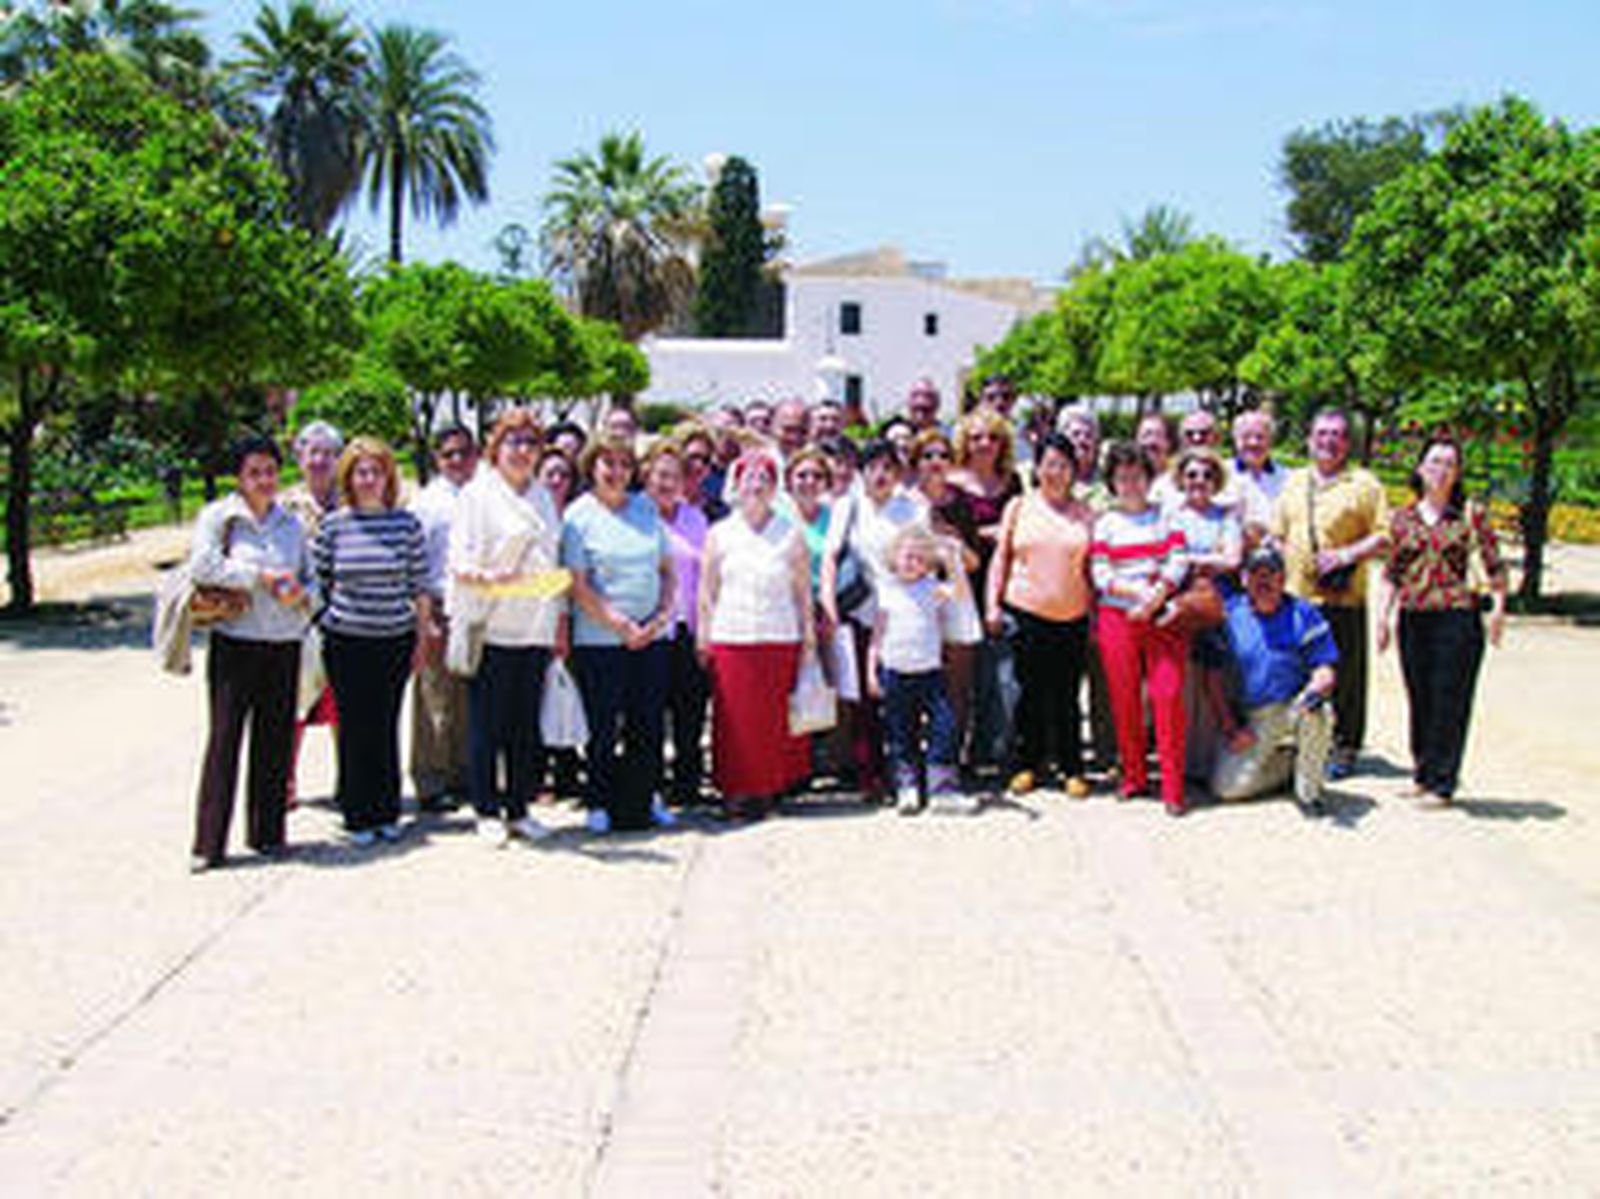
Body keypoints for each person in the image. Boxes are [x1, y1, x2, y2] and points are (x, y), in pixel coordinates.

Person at [188, 435, 312, 872]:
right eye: (254, 472)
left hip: (283, 642)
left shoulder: (292, 524)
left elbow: (312, 579)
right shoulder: (220, 518)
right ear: (239, 477)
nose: (264, 480)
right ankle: (208, 843)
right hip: (235, 641)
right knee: (225, 740)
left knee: (275, 738)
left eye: (270, 472)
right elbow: (202, 566)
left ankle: (268, 832)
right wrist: (259, 576)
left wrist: (301, 591)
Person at [448, 410, 565, 847]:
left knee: (524, 725)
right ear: (496, 448)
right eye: (513, 442)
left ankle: (519, 807)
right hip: (491, 623)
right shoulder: (477, 495)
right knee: (487, 724)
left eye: (530, 443)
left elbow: (551, 556)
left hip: (533, 625)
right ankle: (485, 809)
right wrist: (486, 577)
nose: (522, 451)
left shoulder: (542, 497)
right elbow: (459, 560)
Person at [1376, 432, 1508, 807]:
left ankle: (1443, 782)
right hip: (1414, 616)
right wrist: (1383, 619)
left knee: (1451, 698)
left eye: (1450, 463)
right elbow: (1391, 572)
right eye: (1435, 462)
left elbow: (1495, 567)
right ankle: (1422, 771)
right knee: (1420, 696)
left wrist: (1498, 610)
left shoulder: (1470, 515)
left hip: (1457, 616)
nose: (1441, 470)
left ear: (1458, 472)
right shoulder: (1403, 518)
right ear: (1420, 468)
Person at [312, 437, 430, 847]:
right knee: (354, 727)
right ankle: (357, 813)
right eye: (360, 472)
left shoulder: (405, 524)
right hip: (346, 641)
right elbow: (319, 580)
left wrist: (421, 639)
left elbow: (419, 586)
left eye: (375, 472)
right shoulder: (334, 525)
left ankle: (386, 810)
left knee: (385, 724)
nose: (368, 479)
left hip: (393, 639)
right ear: (348, 477)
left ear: (388, 478)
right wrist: (325, 622)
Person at [562, 433, 676, 833]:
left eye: (624, 464)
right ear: (592, 467)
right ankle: (598, 801)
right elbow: (578, 584)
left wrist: (661, 615)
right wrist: (620, 624)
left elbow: (666, 570)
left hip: (650, 637)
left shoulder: (646, 508)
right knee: (602, 726)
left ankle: (647, 797)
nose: (616, 472)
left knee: (647, 724)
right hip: (600, 640)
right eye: (607, 464)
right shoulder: (578, 515)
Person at [1271, 408, 1390, 778]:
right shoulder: (1294, 482)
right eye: (1321, 433)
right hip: (1298, 596)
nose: (1328, 441)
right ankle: (1303, 743)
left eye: (1336, 434)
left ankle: (1346, 746)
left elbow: (1385, 535)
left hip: (1344, 598)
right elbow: (1278, 532)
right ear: (1309, 439)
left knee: (1347, 676)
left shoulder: (1365, 484)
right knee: (1298, 672)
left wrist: (1347, 554)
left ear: (1347, 442)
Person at [698, 450, 815, 820]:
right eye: (749, 478)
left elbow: (802, 590)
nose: (756, 486)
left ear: (774, 487)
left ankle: (767, 791)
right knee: (733, 720)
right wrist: (704, 635)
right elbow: (707, 590)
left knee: (772, 720)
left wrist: (808, 637)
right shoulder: (720, 532)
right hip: (731, 636)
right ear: (736, 484)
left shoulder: (790, 532)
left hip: (779, 634)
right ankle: (735, 790)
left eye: (764, 479)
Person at [985, 433, 1094, 799]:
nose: (1056, 472)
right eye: (1049, 464)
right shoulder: (1019, 506)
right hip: (1026, 610)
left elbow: (1093, 567)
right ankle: (1027, 764)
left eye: (1063, 465)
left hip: (1073, 614)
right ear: (1038, 468)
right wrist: (992, 605)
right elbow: (1000, 558)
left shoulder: (1085, 513)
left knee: (1066, 695)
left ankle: (1071, 767)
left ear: (1073, 470)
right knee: (1028, 694)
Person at [819, 439, 926, 801]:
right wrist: (829, 603)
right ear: (861, 472)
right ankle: (870, 775)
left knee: (902, 696)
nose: (880, 475)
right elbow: (830, 557)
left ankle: (905, 770)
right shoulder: (847, 507)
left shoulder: (911, 509)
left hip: (904, 615)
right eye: (873, 467)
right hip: (861, 614)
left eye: (888, 467)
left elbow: (925, 559)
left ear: (898, 473)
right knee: (863, 701)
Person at [1091, 441, 1190, 815]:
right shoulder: (1105, 523)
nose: (1130, 484)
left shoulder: (1167, 516)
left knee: (1168, 695)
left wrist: (1157, 594)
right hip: (1119, 616)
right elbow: (1101, 573)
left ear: (1149, 478)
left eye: (1137, 476)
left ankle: (1173, 786)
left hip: (1161, 615)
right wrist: (1136, 593)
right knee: (1125, 699)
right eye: (1122, 477)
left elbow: (1178, 559)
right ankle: (1133, 776)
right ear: (1112, 482)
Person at [1211, 544, 1339, 814]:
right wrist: (1231, 727)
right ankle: (1290, 765)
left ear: (1283, 578)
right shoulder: (1229, 614)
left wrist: (1316, 690)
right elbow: (1213, 676)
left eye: (1271, 574)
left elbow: (1325, 668)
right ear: (1244, 579)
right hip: (1253, 716)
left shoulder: (1303, 614)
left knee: (1319, 713)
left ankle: (1308, 793)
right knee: (1226, 788)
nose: (1264, 581)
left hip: (1294, 705)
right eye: (1256, 574)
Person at [949, 408, 1024, 775]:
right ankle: (958, 754)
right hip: (961, 584)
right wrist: (992, 532)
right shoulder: (952, 482)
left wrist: (989, 533)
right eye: (977, 437)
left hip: (1003, 583)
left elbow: (1021, 529)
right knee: (960, 676)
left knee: (1000, 675)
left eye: (992, 437)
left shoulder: (1013, 482)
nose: (984, 444)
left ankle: (994, 749)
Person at [869, 524, 962, 815]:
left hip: (930, 672)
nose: (912, 563)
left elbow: (958, 592)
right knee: (900, 733)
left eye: (920, 558)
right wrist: (871, 671)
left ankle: (941, 787)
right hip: (896, 672)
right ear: (894, 558)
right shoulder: (886, 591)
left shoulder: (931, 588)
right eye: (907, 556)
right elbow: (877, 636)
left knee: (944, 726)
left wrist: (951, 559)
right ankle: (907, 787)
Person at [409, 425, 478, 814]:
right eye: (449, 453)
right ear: (437, 458)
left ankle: (462, 775)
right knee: (433, 698)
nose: (457, 460)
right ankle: (429, 779)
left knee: (466, 698)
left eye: (464, 452)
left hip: (471, 607)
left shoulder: (481, 496)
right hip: (435, 605)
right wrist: (424, 620)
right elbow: (415, 564)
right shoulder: (426, 503)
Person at [1166, 447, 1243, 782]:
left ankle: (1210, 761)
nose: (1199, 481)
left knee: (1213, 681)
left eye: (1207, 475)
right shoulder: (1170, 515)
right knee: (1181, 684)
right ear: (1181, 479)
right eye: (1192, 474)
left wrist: (1189, 560)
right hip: (1178, 603)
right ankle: (1180, 761)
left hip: (1215, 607)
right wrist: (1207, 558)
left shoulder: (1226, 517)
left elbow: (1233, 559)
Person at [644, 439, 710, 809]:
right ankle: (651, 784)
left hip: (689, 629)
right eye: (661, 475)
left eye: (675, 476)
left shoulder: (695, 519)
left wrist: (706, 633)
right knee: (651, 713)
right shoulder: (637, 515)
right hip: (652, 630)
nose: (668, 483)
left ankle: (688, 785)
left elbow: (705, 577)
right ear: (647, 478)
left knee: (690, 713)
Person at [911, 428, 982, 769]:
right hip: (915, 604)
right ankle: (913, 762)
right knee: (914, 684)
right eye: (927, 456)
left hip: (954, 599)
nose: (935, 462)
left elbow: (974, 562)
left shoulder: (962, 504)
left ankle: (949, 760)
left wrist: (951, 543)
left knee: (956, 688)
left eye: (942, 455)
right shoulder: (904, 503)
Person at [281, 419, 343, 807]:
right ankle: (284, 782)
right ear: (300, 456)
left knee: (343, 705)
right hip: (297, 618)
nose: (319, 460)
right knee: (293, 705)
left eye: (327, 452)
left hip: (345, 616)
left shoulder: (352, 500)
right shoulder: (285, 505)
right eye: (312, 451)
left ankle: (347, 779)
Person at [1223, 408, 1286, 535]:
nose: (1253, 443)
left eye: (1260, 437)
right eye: (1246, 437)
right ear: (1235, 440)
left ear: (1271, 440)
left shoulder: (1287, 478)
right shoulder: (1219, 474)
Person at [1137, 413, 1180, 512]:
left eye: (1158, 435)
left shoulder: (1179, 479)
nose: (1151, 441)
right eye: (1145, 435)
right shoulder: (1127, 478)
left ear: (1169, 443)